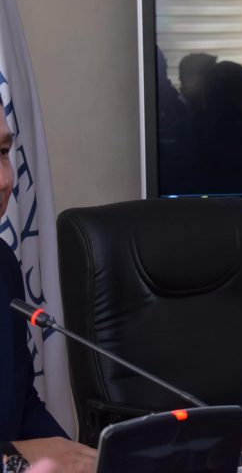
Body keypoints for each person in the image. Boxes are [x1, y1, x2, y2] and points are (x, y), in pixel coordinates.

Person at [0, 96, 95, 472]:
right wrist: (15, 461)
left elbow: (20, 406)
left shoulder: (3, 265)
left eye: (3, 152)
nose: (5, 181)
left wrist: (81, 458)